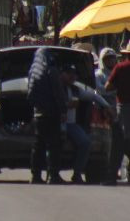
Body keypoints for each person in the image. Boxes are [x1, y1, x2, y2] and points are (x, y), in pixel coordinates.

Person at [59, 64, 113, 183]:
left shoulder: (75, 89)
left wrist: (106, 106)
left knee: (85, 142)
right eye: (69, 74)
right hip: (55, 123)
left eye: (74, 74)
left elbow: (93, 96)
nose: (72, 77)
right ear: (62, 74)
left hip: (71, 124)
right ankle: (53, 173)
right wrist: (66, 106)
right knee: (55, 144)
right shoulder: (55, 88)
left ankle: (77, 173)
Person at [27, 46, 67, 184]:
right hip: (52, 113)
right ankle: (53, 175)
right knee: (54, 144)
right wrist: (63, 110)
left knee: (38, 145)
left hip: (39, 113)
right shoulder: (51, 70)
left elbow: (30, 94)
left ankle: (36, 175)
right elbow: (58, 93)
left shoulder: (33, 71)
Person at [104, 43, 130, 185]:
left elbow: (108, 87)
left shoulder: (120, 68)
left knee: (119, 142)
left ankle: (112, 176)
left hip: (124, 108)